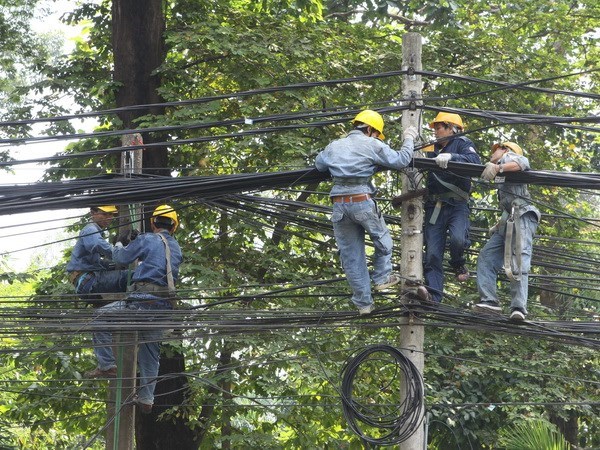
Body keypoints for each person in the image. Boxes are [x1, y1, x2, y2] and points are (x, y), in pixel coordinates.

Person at [315, 109, 418, 315]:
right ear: (370, 129)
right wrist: (409, 138)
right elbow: (401, 160)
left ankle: (364, 304)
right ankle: (382, 278)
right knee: (383, 241)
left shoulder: (334, 146)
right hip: (361, 202)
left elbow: (319, 165)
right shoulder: (373, 144)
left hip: (339, 207)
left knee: (352, 257)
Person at [85, 205, 183, 414]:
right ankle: (147, 398)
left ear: (153, 222)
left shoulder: (147, 239)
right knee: (150, 353)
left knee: (99, 317)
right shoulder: (176, 247)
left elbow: (120, 258)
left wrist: (121, 242)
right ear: (174, 226)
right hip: (163, 307)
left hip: (141, 301)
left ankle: (107, 365)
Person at [475, 142, 540, 321]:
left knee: (519, 259)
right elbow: (508, 204)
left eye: (494, 150)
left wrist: (498, 167)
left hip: (523, 216)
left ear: (505, 150)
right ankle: (489, 301)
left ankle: (519, 307)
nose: (491, 154)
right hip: (508, 220)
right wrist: (499, 224)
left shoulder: (509, 158)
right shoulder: (501, 170)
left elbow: (523, 163)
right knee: (487, 257)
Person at [420, 112, 481, 303]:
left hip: (457, 205)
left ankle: (458, 263)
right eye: (436, 128)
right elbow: (416, 164)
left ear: (451, 129)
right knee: (431, 255)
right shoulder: (431, 147)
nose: (436, 132)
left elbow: (475, 163)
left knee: (457, 239)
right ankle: (433, 297)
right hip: (434, 207)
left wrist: (452, 156)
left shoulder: (463, 143)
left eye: (439, 127)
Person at [66, 205, 129, 305]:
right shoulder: (90, 229)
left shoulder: (96, 231)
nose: (109, 217)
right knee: (131, 275)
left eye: (111, 214)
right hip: (88, 280)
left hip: (85, 282)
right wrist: (121, 248)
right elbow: (99, 245)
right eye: (104, 214)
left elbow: (97, 262)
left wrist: (111, 264)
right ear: (92, 213)